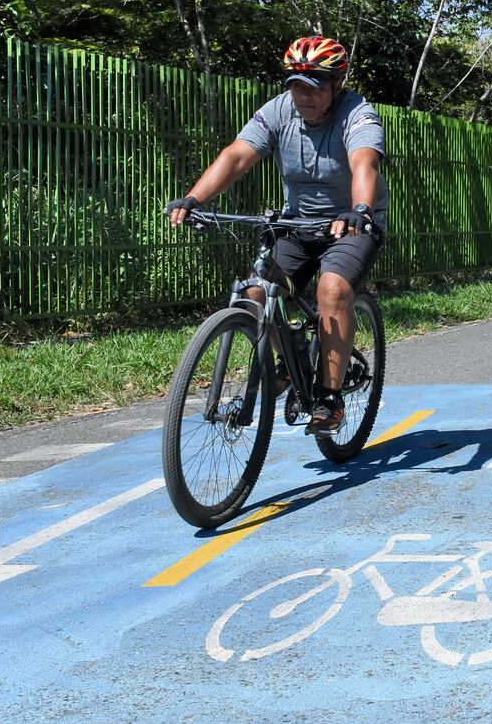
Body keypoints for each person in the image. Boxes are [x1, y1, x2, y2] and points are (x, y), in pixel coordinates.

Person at [166, 35, 388, 435]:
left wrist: (359, 211)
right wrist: (193, 198)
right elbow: (237, 155)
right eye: (296, 85)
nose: (304, 95)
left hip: (351, 222)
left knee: (333, 290)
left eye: (315, 86)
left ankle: (329, 397)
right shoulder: (278, 112)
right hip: (298, 223)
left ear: (337, 85)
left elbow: (364, 164)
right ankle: (295, 358)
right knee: (256, 292)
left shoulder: (358, 114)